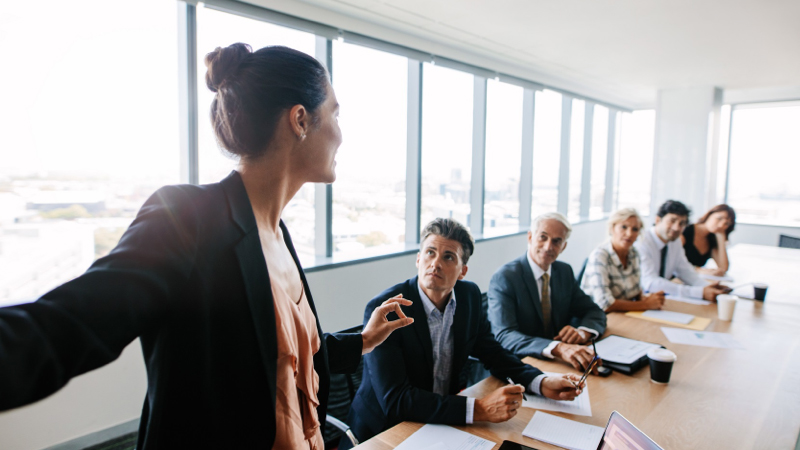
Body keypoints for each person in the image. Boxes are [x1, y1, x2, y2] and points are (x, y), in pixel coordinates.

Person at [0, 44, 413, 449]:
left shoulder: (279, 234)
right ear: (300, 120)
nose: (341, 133)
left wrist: (362, 339)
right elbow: (69, 324)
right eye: (335, 113)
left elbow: (284, 354)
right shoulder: (187, 218)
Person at [342, 218, 584, 449]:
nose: (435, 263)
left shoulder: (468, 297)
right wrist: (479, 408)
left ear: (462, 271)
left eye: (448, 257)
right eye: (430, 252)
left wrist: (540, 381)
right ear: (418, 259)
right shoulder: (389, 310)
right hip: (384, 431)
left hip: (442, 423)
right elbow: (396, 400)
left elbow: (492, 352)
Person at [487, 212, 607, 372]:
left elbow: (593, 311)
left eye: (557, 241)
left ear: (563, 246)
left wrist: (583, 332)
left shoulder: (563, 271)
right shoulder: (506, 277)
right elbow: (505, 335)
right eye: (543, 237)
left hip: (561, 363)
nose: (548, 246)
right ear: (530, 237)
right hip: (521, 364)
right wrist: (558, 348)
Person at [635, 200, 730, 302]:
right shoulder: (642, 242)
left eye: (682, 223)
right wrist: (699, 292)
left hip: (661, 300)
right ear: (658, 220)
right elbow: (650, 283)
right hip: (639, 300)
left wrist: (707, 287)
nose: (676, 228)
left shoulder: (674, 242)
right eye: (672, 221)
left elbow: (685, 271)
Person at [581, 208, 665, 312]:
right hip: (597, 316)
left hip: (622, 314)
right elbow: (604, 303)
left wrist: (646, 298)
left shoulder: (634, 253)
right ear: (612, 228)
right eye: (624, 227)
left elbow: (635, 290)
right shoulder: (600, 256)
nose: (629, 234)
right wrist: (646, 304)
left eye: (635, 229)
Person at [681, 204, 736, 276]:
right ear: (709, 214)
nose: (721, 225)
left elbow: (723, 268)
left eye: (726, 223)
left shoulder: (711, 239)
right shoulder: (686, 231)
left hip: (693, 279)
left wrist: (721, 238)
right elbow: (674, 262)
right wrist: (698, 270)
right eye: (719, 218)